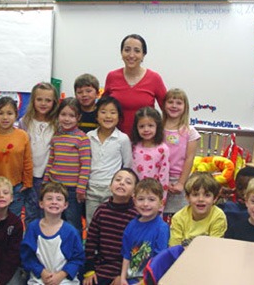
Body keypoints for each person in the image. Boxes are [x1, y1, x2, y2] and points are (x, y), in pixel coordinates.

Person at [0, 97, 34, 224]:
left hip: (16, 186)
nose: (5, 117)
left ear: (16, 115)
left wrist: (27, 182)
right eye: (0, 113)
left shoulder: (22, 135)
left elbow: (27, 160)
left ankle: (12, 243)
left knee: (13, 219)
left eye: (9, 113)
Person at [103, 34, 167, 138]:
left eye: (137, 51)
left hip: (145, 142)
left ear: (143, 55)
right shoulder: (112, 77)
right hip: (115, 141)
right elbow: (103, 108)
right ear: (121, 52)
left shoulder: (154, 78)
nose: (131, 55)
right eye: (127, 50)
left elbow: (168, 110)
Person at [21, 182, 85, 285]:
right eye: (49, 199)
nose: (54, 202)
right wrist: (42, 272)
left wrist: (62, 275)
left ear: (65, 205)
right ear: (41, 203)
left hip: (65, 279)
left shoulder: (71, 232)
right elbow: (27, 256)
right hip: (39, 278)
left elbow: (78, 259)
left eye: (58, 199)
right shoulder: (33, 228)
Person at [43, 97, 91, 233]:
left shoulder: (82, 138)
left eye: (71, 116)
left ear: (78, 117)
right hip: (55, 186)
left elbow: (85, 165)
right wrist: (45, 182)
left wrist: (81, 188)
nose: (67, 119)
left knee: (73, 221)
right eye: (63, 114)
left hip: (72, 190)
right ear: (58, 115)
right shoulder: (56, 137)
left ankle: (75, 250)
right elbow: (51, 161)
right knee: (55, 219)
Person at [83, 168, 139, 285]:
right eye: (118, 180)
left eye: (128, 182)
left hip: (124, 271)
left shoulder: (136, 215)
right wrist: (89, 270)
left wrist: (123, 275)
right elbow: (91, 242)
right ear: (110, 186)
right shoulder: (101, 210)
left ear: (134, 193)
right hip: (101, 269)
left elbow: (137, 251)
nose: (122, 183)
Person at [85, 96, 132, 226]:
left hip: (112, 191)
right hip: (91, 190)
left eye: (113, 112)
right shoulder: (89, 136)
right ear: (96, 115)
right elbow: (84, 163)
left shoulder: (122, 139)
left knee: (111, 225)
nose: (108, 116)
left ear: (119, 117)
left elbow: (127, 165)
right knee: (92, 225)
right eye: (103, 111)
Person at [19, 82, 59, 220]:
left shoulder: (57, 123)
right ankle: (31, 239)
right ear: (33, 101)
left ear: (54, 102)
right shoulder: (24, 122)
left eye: (48, 100)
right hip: (29, 174)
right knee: (31, 211)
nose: (43, 103)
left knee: (47, 212)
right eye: (39, 99)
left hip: (48, 176)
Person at [120, 178, 170, 285]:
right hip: (130, 279)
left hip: (151, 280)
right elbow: (126, 255)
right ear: (134, 201)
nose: (145, 204)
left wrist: (144, 282)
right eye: (141, 199)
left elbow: (160, 260)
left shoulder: (162, 228)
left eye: (151, 200)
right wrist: (123, 278)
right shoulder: (131, 225)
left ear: (161, 203)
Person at [162, 88, 200, 224]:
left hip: (178, 180)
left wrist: (181, 183)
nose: (174, 106)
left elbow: (189, 158)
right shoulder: (157, 128)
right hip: (159, 178)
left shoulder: (190, 132)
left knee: (178, 219)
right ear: (164, 105)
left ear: (185, 107)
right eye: (170, 102)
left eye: (178, 103)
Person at [169, 172, 227, 248]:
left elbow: (215, 248)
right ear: (187, 197)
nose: (201, 199)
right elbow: (174, 248)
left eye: (207, 195)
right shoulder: (178, 218)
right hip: (183, 257)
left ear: (215, 198)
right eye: (195, 195)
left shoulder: (218, 216)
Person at [0, 177, 24, 285]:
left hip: (9, 267)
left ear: (11, 198)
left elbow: (13, 255)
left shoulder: (16, 223)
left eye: (5, 193)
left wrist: (1, 280)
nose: (1, 196)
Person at [131, 106, 169, 205]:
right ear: (136, 128)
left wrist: (161, 204)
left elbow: (164, 178)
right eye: (142, 126)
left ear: (157, 126)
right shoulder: (133, 146)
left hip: (153, 199)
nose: (146, 129)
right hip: (134, 198)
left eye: (150, 125)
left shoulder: (163, 149)